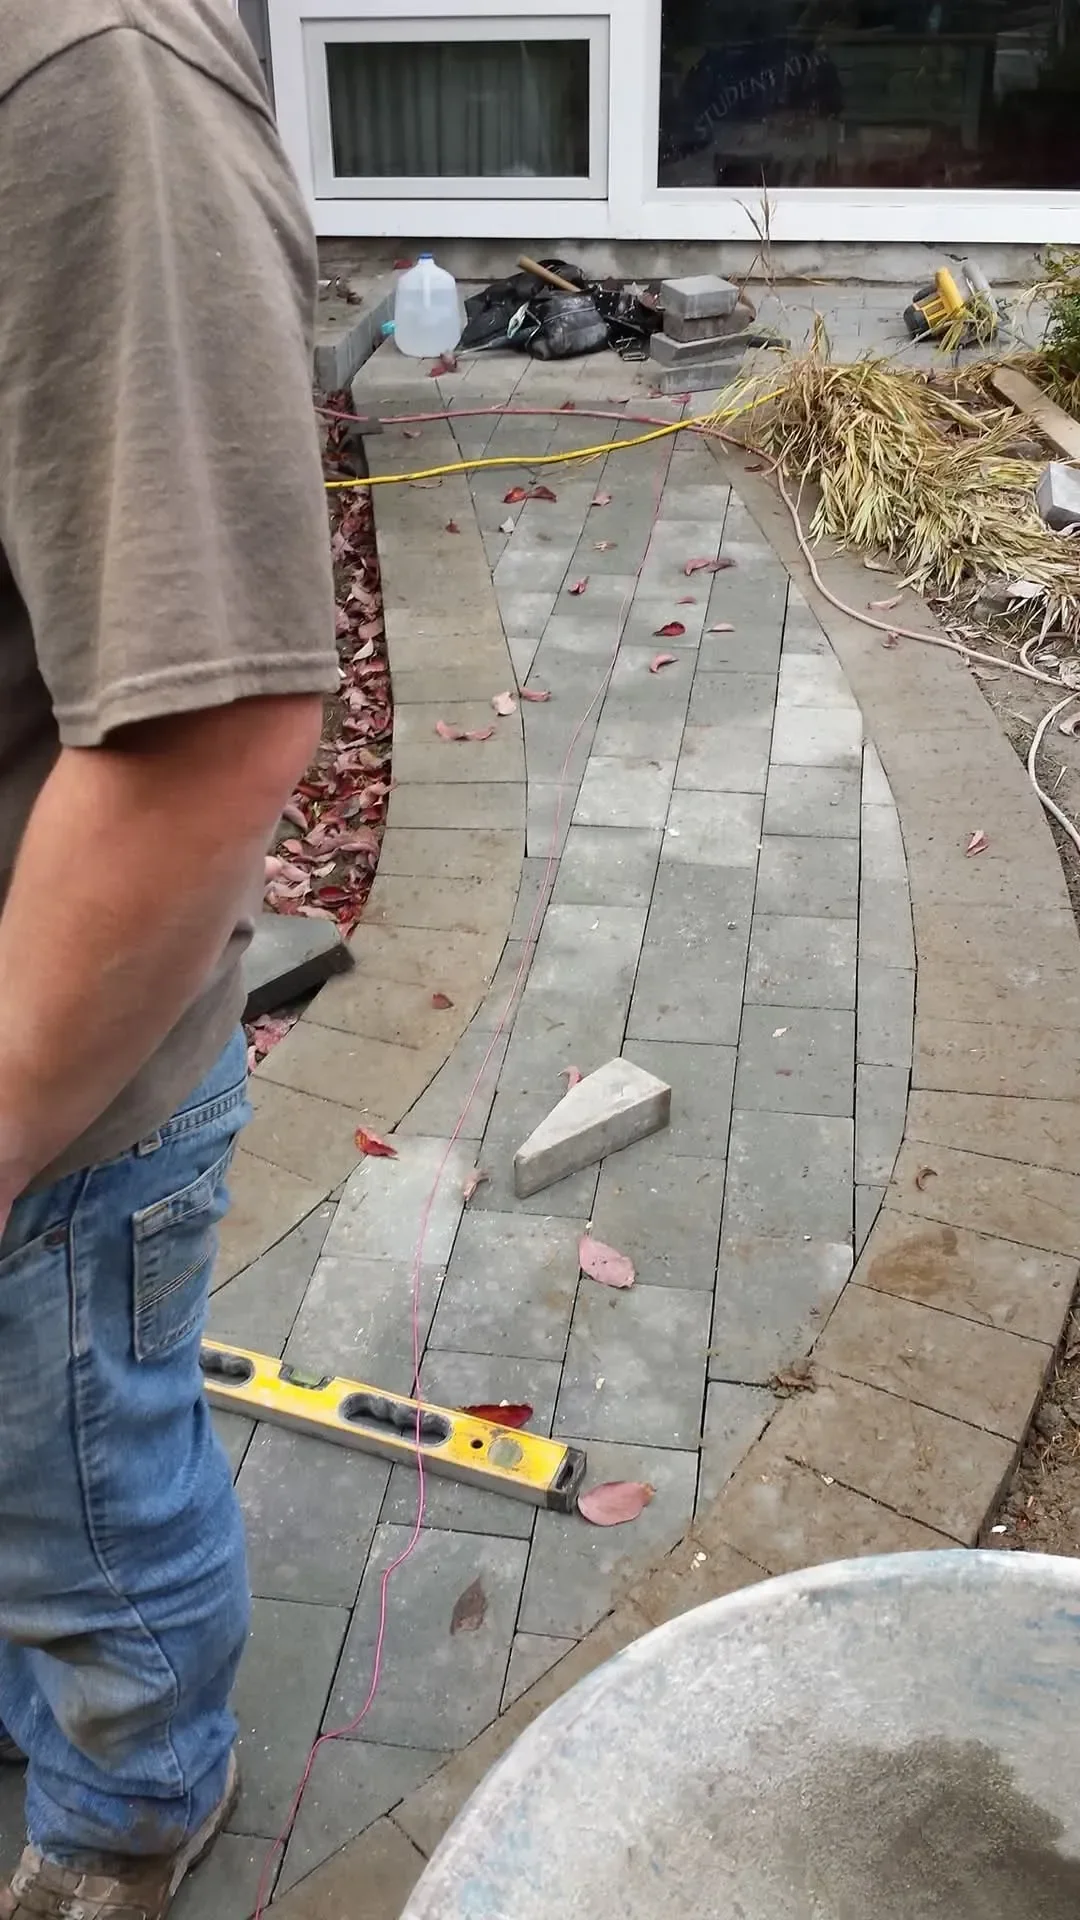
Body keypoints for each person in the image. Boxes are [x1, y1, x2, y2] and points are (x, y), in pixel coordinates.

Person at [0, 5, 337, 1914]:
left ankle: (130, 1812)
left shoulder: (76, 68)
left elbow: (205, 733)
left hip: (49, 1105)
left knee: (87, 1515)